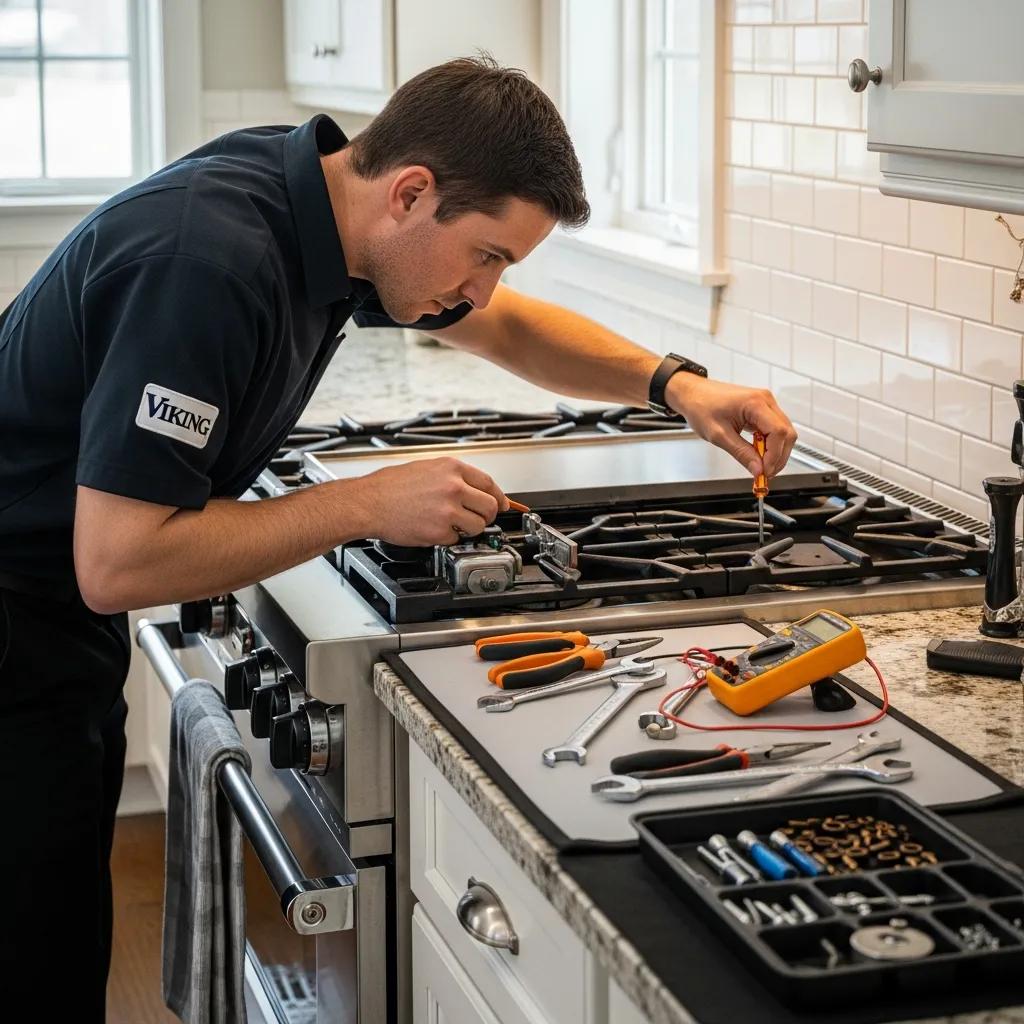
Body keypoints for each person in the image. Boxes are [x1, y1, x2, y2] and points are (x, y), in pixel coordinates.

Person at [0, 55, 795, 1017]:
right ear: (412, 194)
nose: (487, 286)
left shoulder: (329, 211)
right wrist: (365, 503)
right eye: (489, 254)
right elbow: (117, 562)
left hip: (44, 619)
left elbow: (508, 333)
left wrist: (678, 385)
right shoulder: (206, 265)